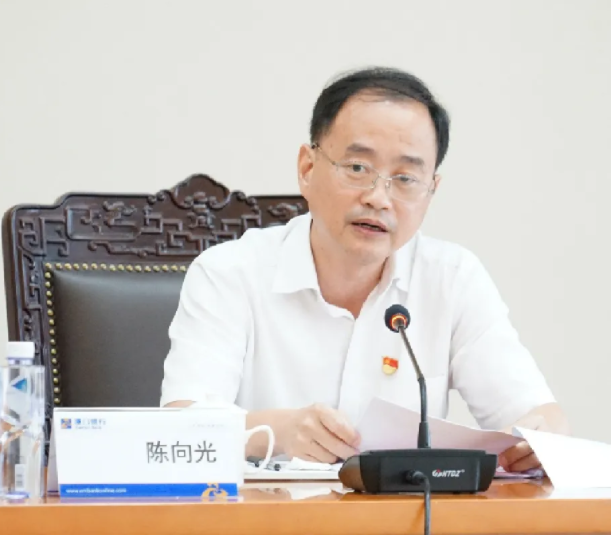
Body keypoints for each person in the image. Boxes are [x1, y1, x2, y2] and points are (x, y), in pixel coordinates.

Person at [160, 67, 569, 473]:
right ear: (307, 168)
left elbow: (537, 415)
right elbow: (180, 429)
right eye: (358, 168)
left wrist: (540, 439)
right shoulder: (229, 274)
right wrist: (279, 432)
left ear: (431, 191)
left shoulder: (452, 279)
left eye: (405, 178)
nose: (378, 198)